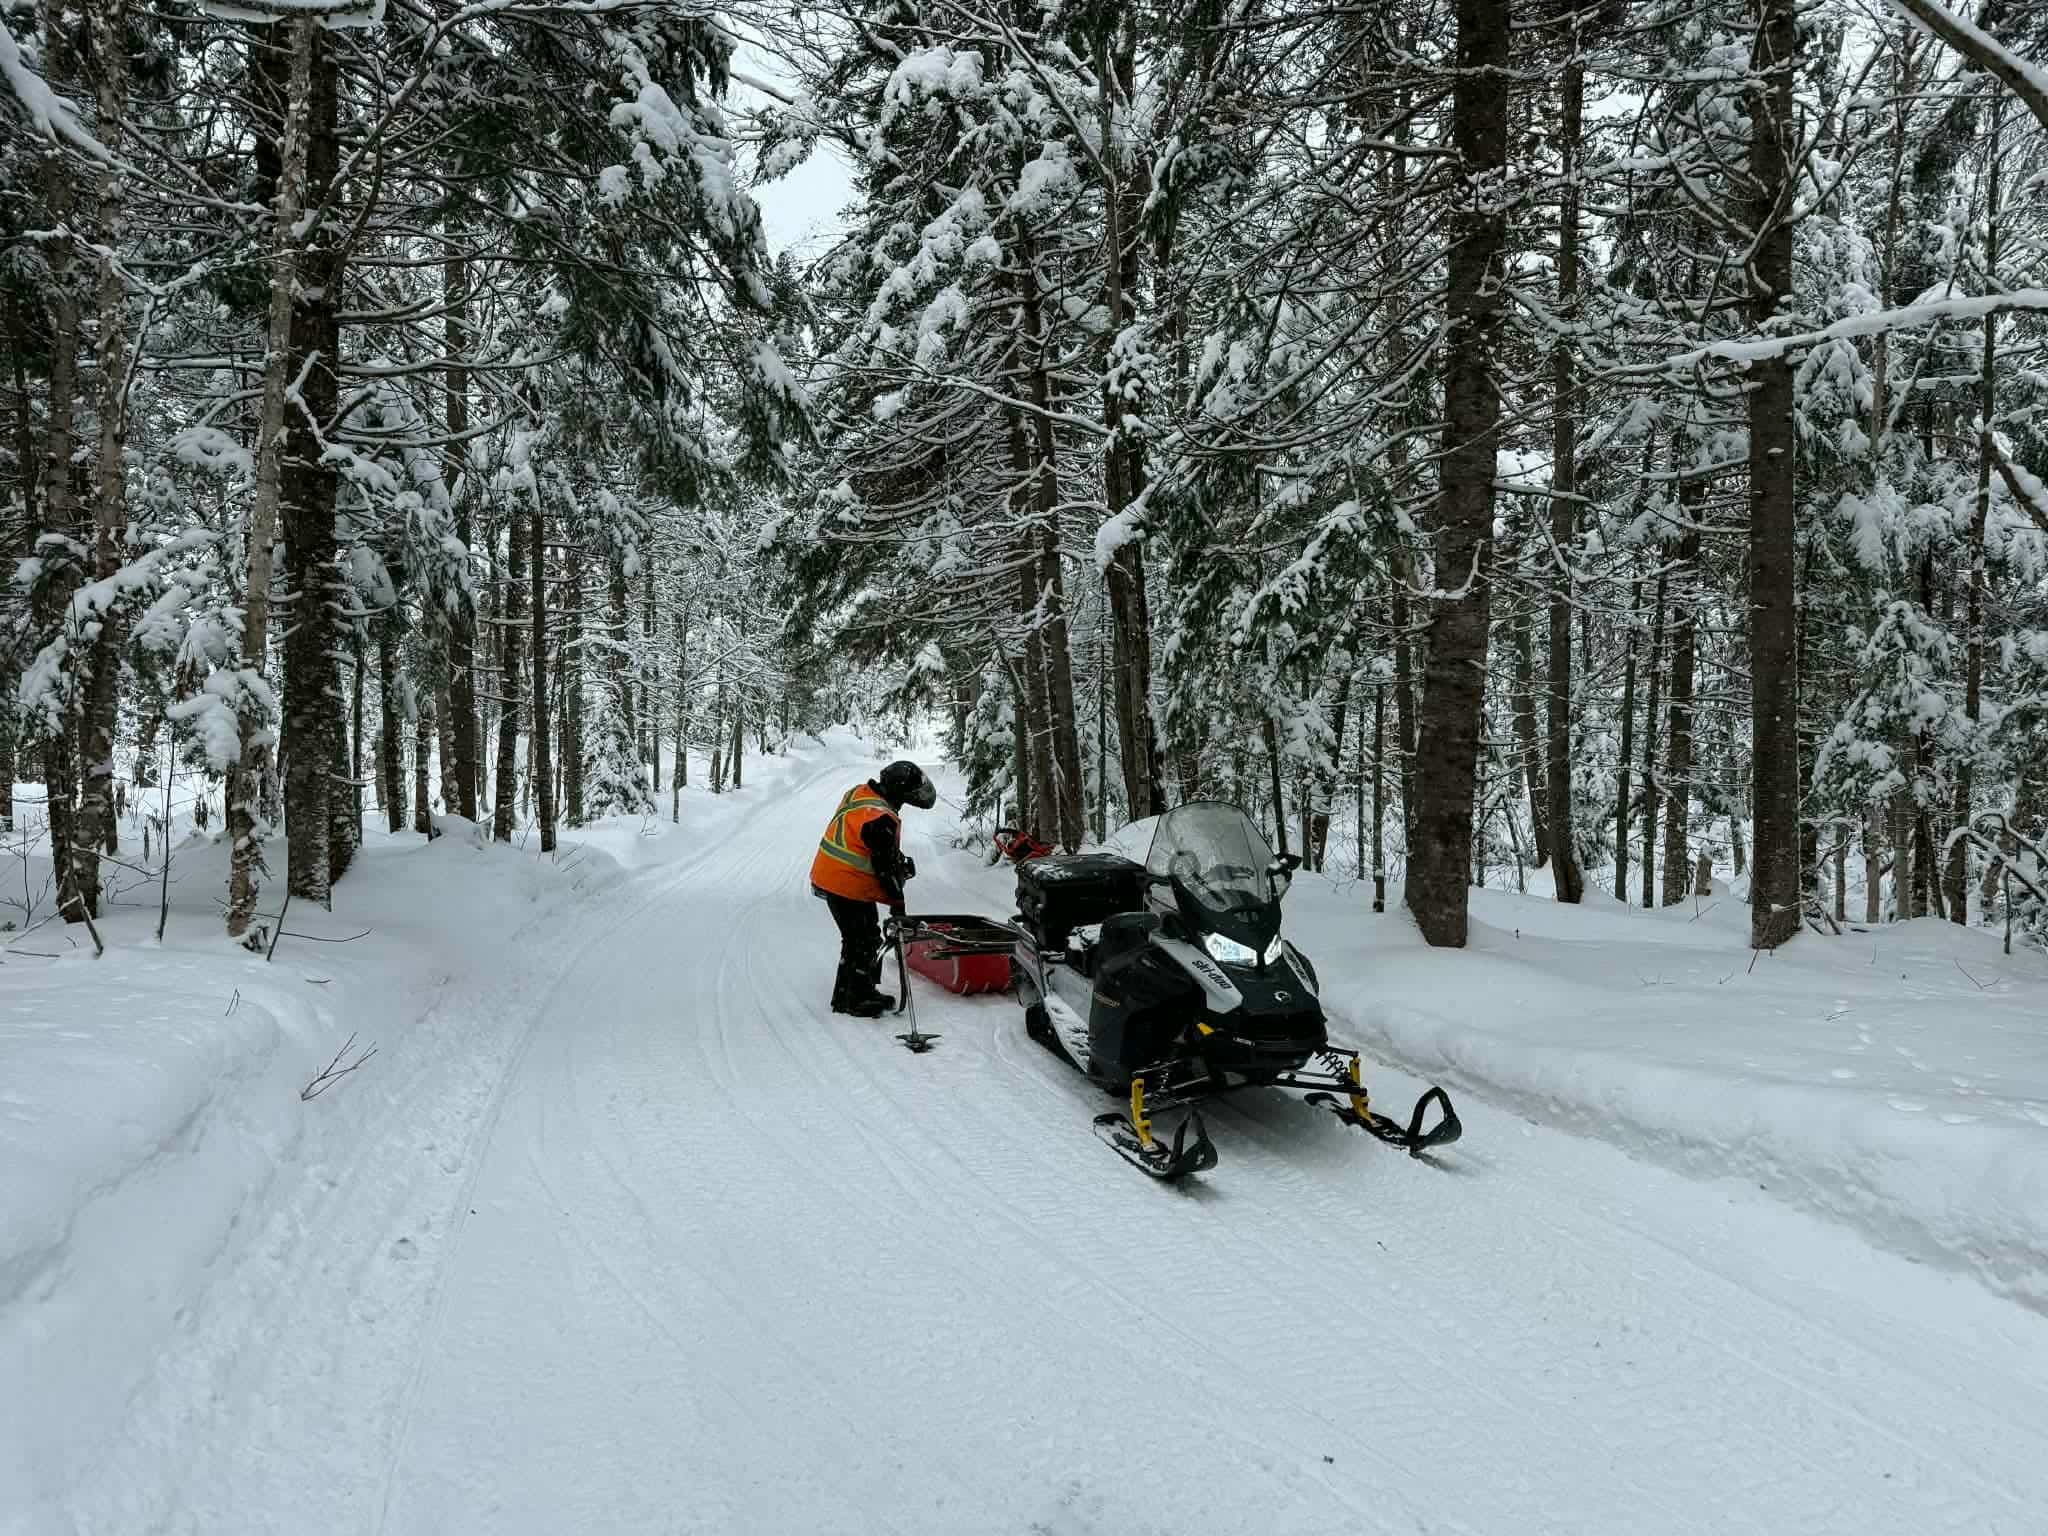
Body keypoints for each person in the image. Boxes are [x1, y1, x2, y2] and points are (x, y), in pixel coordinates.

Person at [809, 760, 937, 1017]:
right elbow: (885, 869)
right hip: (843, 882)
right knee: (860, 939)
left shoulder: (861, 793)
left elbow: (872, 845)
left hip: (836, 875)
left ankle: (860, 991)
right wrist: (898, 906)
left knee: (866, 934)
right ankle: (851, 999)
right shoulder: (881, 819)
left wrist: (896, 859)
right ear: (901, 794)